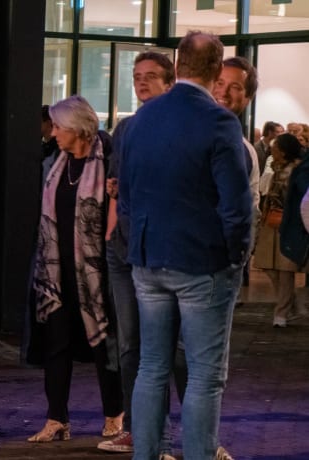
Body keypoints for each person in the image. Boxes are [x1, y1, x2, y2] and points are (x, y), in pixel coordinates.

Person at [118, 31, 251, 460]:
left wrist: (137, 246)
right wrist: (237, 255)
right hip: (201, 262)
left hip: (147, 259)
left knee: (151, 367)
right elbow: (236, 204)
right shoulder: (219, 122)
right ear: (216, 71)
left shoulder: (139, 122)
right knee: (204, 376)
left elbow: (127, 197)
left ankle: (148, 453)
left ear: (177, 66)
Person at [27, 95, 123, 443]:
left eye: (58, 127)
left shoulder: (109, 162)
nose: (52, 133)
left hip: (98, 273)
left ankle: (115, 415)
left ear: (79, 129)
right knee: (57, 343)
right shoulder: (55, 163)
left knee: (105, 346)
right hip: (56, 272)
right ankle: (57, 419)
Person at [98, 51, 174, 455]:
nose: (141, 83)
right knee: (129, 345)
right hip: (125, 247)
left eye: (150, 77)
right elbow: (116, 183)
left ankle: (186, 434)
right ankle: (137, 427)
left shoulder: (178, 126)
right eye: (136, 76)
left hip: (163, 251)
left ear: (169, 82)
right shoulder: (125, 130)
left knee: (167, 348)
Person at [254, 133, 303, 328]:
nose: (271, 150)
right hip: (271, 221)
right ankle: (292, 303)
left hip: (288, 222)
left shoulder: (296, 170)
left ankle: (281, 313)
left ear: (282, 150)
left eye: (275, 147)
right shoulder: (276, 168)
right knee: (267, 265)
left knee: (285, 270)